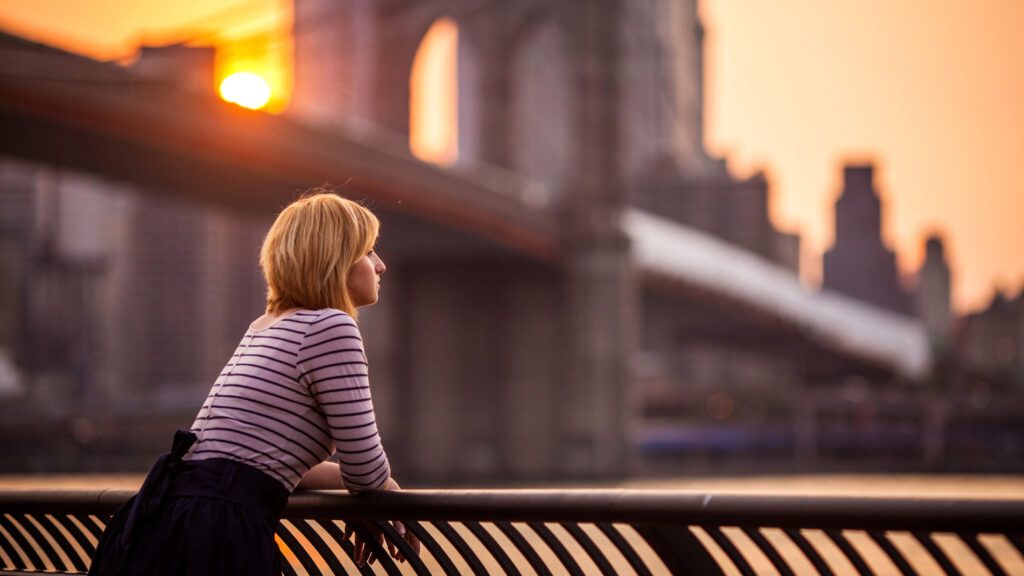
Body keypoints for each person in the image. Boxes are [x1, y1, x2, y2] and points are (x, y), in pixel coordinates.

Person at [89, 191, 419, 575]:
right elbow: (365, 472)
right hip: (219, 534)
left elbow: (261, 464)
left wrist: (379, 481)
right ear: (337, 260)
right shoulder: (330, 326)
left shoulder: (265, 327)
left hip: (165, 518)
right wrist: (384, 485)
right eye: (369, 252)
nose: (381, 265)